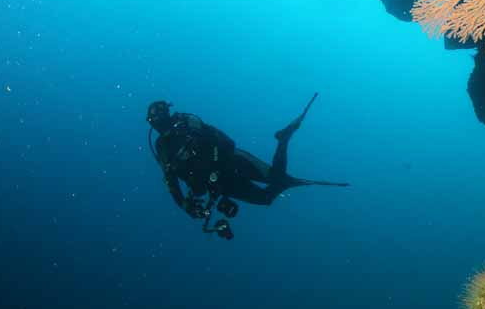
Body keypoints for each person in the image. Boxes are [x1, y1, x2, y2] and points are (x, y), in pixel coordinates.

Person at [146, 94, 347, 238]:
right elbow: (170, 180)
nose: (157, 123)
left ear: (167, 114)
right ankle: (285, 174)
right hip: (220, 185)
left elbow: (223, 142)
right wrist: (185, 205)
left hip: (233, 161)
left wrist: (215, 165)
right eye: (153, 121)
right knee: (266, 198)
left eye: (159, 118)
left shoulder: (187, 122)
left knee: (276, 177)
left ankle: (283, 139)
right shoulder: (161, 147)